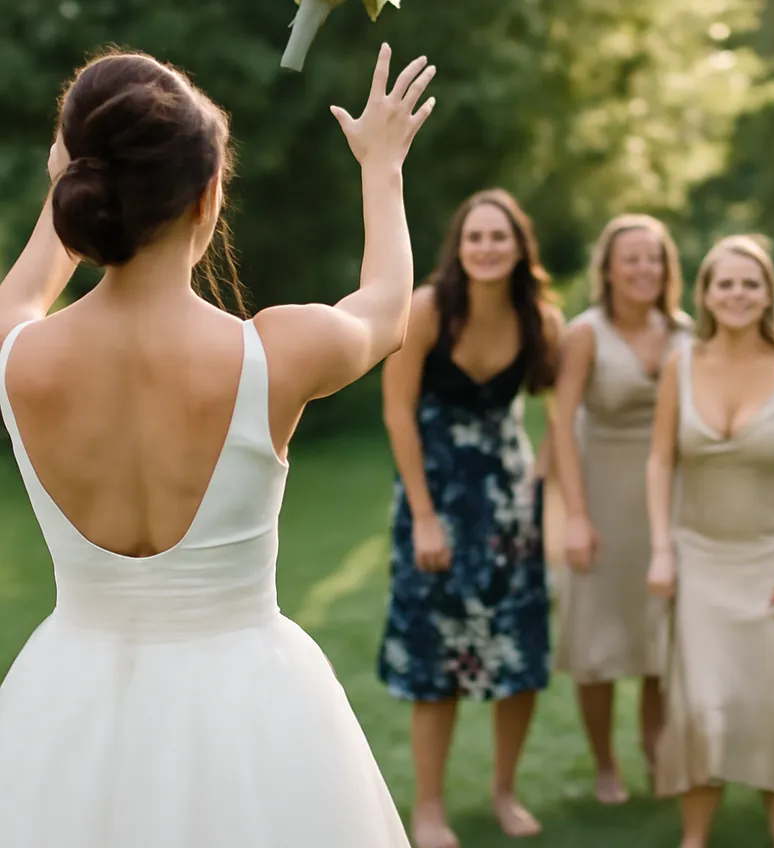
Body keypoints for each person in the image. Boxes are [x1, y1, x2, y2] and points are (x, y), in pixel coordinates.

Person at [0, 43, 435, 846]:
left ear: (77, 188)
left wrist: (72, 173)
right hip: (250, 702)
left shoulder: (16, 354)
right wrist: (382, 166)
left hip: (66, 696)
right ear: (208, 198)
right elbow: (386, 310)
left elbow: (27, 286)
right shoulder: (276, 353)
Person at [377, 189, 562, 848]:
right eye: (475, 237)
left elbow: (560, 419)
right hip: (437, 500)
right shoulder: (427, 310)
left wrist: (547, 491)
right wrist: (424, 516)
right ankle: (428, 809)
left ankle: (505, 793)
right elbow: (397, 411)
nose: (486, 248)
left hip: (511, 505)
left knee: (518, 651)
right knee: (438, 658)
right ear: (459, 246)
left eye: (499, 237)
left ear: (519, 248)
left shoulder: (540, 318)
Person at [646, 234, 774, 848]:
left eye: (750, 283)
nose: (737, 293)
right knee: (701, 704)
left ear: (768, 294)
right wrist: (662, 548)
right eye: (724, 282)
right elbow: (659, 461)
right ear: (704, 293)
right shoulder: (681, 363)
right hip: (700, 557)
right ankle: (694, 834)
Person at [551, 213, 688, 804]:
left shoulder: (686, 332)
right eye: (630, 258)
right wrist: (575, 517)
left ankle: (657, 746)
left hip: (672, 501)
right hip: (600, 492)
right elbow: (560, 424)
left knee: (662, 635)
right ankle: (606, 763)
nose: (643, 268)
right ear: (607, 268)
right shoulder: (585, 332)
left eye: (653, 257)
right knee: (598, 638)